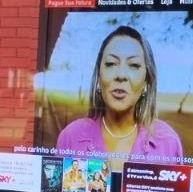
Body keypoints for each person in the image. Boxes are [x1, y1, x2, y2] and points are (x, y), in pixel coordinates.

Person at [54, 26, 182, 162]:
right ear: (99, 77)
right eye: (111, 64)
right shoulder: (70, 136)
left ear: (146, 81)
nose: (121, 75)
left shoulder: (168, 142)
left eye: (134, 65)